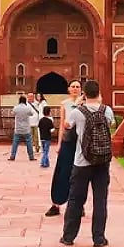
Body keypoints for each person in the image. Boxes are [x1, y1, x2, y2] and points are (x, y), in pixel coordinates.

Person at [60, 79, 114, 247]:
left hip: (82, 162)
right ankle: (99, 239)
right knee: (100, 200)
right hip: (102, 162)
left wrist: (77, 104)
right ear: (99, 94)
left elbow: (67, 125)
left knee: (76, 199)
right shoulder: (107, 110)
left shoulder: (78, 112)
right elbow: (111, 125)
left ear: (84, 93)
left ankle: (68, 237)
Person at [45, 80, 83, 217]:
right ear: (68, 89)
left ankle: (78, 205)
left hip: (81, 142)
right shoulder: (65, 104)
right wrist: (59, 144)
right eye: (73, 86)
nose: (75, 88)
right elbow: (62, 125)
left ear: (81, 89)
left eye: (77, 87)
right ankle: (56, 203)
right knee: (62, 172)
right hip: (68, 141)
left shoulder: (85, 104)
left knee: (79, 174)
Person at [9, 94, 35, 161]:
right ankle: (31, 157)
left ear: (19, 101)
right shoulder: (27, 108)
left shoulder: (16, 108)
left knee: (15, 144)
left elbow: (12, 113)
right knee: (29, 143)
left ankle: (12, 156)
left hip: (18, 129)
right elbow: (32, 114)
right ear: (25, 101)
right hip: (26, 129)